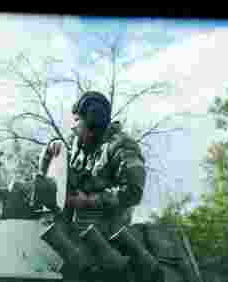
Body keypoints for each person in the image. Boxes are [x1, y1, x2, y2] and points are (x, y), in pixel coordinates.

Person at [39, 91, 147, 239]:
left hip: (108, 236)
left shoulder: (121, 147)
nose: (73, 127)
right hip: (73, 228)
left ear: (91, 125)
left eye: (77, 120)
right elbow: (50, 178)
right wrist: (51, 148)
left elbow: (133, 193)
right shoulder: (78, 144)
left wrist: (89, 201)